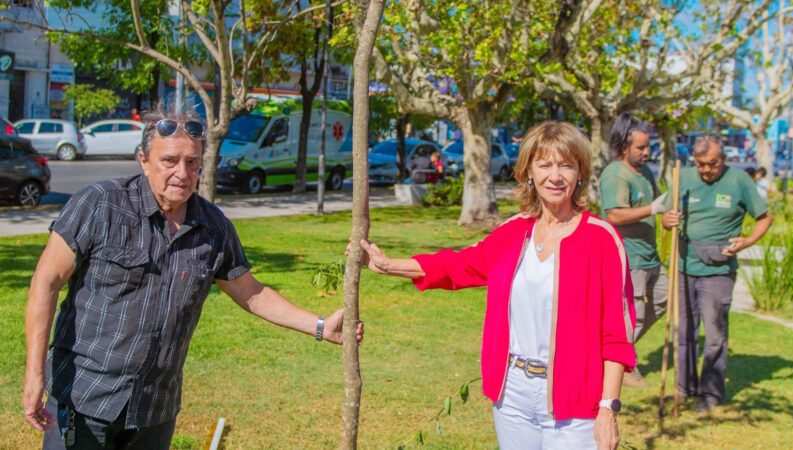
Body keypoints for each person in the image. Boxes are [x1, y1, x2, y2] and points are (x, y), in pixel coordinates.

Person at [23, 110, 364, 450]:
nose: (182, 173)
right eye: (169, 160)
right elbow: (46, 282)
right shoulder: (100, 205)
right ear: (143, 160)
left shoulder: (213, 227)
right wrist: (35, 373)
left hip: (154, 409)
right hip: (85, 399)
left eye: (192, 162)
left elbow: (251, 292)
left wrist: (320, 326)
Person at [356, 121, 636, 449]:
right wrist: (389, 265)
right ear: (529, 171)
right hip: (513, 394)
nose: (555, 176)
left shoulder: (601, 239)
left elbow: (617, 334)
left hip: (576, 402)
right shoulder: (514, 232)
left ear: (579, 173)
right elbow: (459, 266)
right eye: (544, 164)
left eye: (566, 165)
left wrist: (607, 407)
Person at [662, 136, 771, 413]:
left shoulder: (739, 181)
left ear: (723, 159)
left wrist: (747, 241)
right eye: (700, 165)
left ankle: (710, 393)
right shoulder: (682, 177)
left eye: (711, 164)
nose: (706, 170)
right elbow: (665, 213)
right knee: (684, 332)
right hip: (684, 266)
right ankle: (684, 386)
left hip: (718, 270)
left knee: (714, 335)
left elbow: (765, 217)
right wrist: (666, 220)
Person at [599, 113, 668, 388]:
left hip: (650, 254)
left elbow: (660, 201)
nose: (646, 153)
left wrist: (667, 212)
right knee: (634, 313)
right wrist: (652, 209)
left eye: (647, 146)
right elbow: (614, 215)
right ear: (623, 146)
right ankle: (621, 364)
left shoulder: (646, 172)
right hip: (628, 256)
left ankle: (618, 354)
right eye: (640, 148)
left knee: (663, 298)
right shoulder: (615, 174)